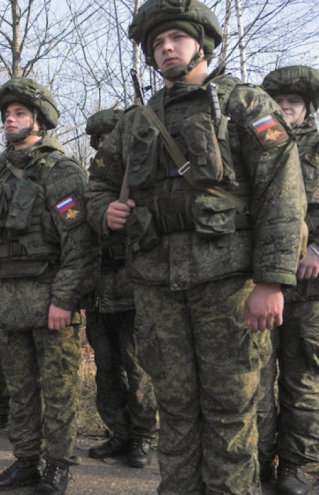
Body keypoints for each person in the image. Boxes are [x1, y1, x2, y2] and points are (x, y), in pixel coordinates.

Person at [84, 0, 307, 492]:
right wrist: (106, 211)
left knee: (231, 409)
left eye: (176, 39)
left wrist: (271, 280)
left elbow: (281, 196)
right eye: (157, 43)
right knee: (176, 408)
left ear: (201, 44)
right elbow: (96, 184)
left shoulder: (243, 104)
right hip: (157, 287)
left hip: (228, 286)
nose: (166, 48)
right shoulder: (135, 122)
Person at [0, 77, 99, 495]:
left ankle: (57, 467)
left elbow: (80, 243)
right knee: (19, 391)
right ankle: (25, 460)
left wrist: (65, 299)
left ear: (38, 121)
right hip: (5, 303)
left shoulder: (61, 172)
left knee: (58, 391)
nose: (9, 121)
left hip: (49, 301)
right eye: (6, 115)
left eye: (19, 113)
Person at [256, 65, 319, 495]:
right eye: (277, 102)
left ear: (308, 108)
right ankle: (257, 459)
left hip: (310, 288)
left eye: (292, 102)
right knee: (254, 378)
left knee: (302, 379)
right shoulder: (257, 146)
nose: (284, 108)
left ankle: (294, 466)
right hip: (259, 284)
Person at [83, 108, 158, 468]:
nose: (103, 145)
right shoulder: (92, 187)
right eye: (98, 141)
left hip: (133, 289)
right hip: (99, 290)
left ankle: (142, 437)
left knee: (138, 369)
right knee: (106, 369)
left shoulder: (144, 179)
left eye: (109, 138)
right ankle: (118, 433)